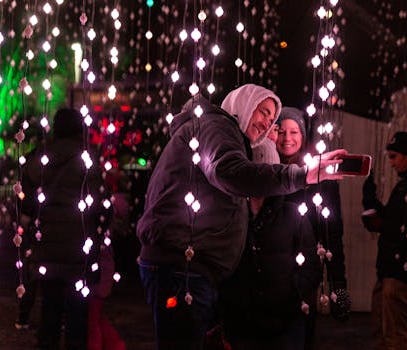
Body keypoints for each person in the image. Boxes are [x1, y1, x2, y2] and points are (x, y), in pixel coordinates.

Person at [136, 84, 346, 350]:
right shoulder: (216, 127)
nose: (268, 123)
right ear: (244, 104)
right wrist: (303, 174)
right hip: (182, 269)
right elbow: (230, 172)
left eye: (272, 119)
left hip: (189, 268)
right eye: (264, 112)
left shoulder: (220, 133)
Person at [220, 140, 321, 350]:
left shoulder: (294, 215)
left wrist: (290, 295)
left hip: (284, 322)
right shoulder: (232, 215)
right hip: (242, 324)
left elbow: (311, 267)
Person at [20, 108, 107, 350]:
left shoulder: (42, 157)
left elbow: (26, 190)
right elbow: (98, 202)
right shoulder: (87, 158)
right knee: (77, 319)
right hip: (79, 249)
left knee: (50, 312)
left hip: (47, 246)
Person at [276, 107, 350, 350]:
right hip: (268, 273)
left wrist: (339, 286)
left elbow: (333, 233)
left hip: (305, 273)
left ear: (303, 135)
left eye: (294, 131)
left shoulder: (321, 178)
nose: (287, 138)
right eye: (281, 131)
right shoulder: (263, 170)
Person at [361, 131, 407, 350]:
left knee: (394, 337)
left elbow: (397, 227)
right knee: (383, 334)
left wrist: (374, 211)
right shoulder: (405, 186)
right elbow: (392, 223)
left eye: (393, 157)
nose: (390, 163)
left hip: (400, 273)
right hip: (391, 270)